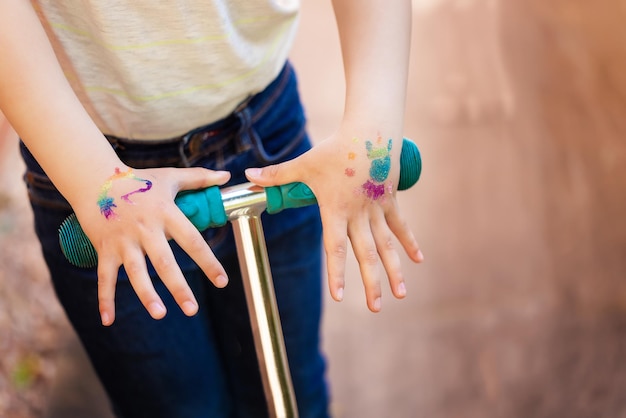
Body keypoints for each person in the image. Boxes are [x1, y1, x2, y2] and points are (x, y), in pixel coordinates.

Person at [0, 0, 423, 417]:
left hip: (266, 131)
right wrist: (94, 180)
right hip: (92, 167)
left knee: (296, 389)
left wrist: (373, 130)